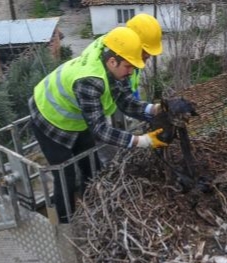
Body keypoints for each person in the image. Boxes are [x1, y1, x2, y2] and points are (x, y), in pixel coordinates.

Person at [29, 26, 168, 223]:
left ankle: (90, 213)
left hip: (77, 118)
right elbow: (100, 130)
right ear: (113, 61)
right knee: (65, 177)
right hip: (49, 118)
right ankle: (65, 224)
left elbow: (125, 101)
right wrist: (141, 141)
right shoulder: (90, 81)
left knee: (92, 167)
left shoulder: (113, 56)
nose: (132, 72)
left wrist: (152, 110)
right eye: (129, 67)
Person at [81, 14, 163, 99]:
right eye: (144, 51)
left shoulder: (125, 53)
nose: (147, 56)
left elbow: (130, 94)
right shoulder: (110, 62)